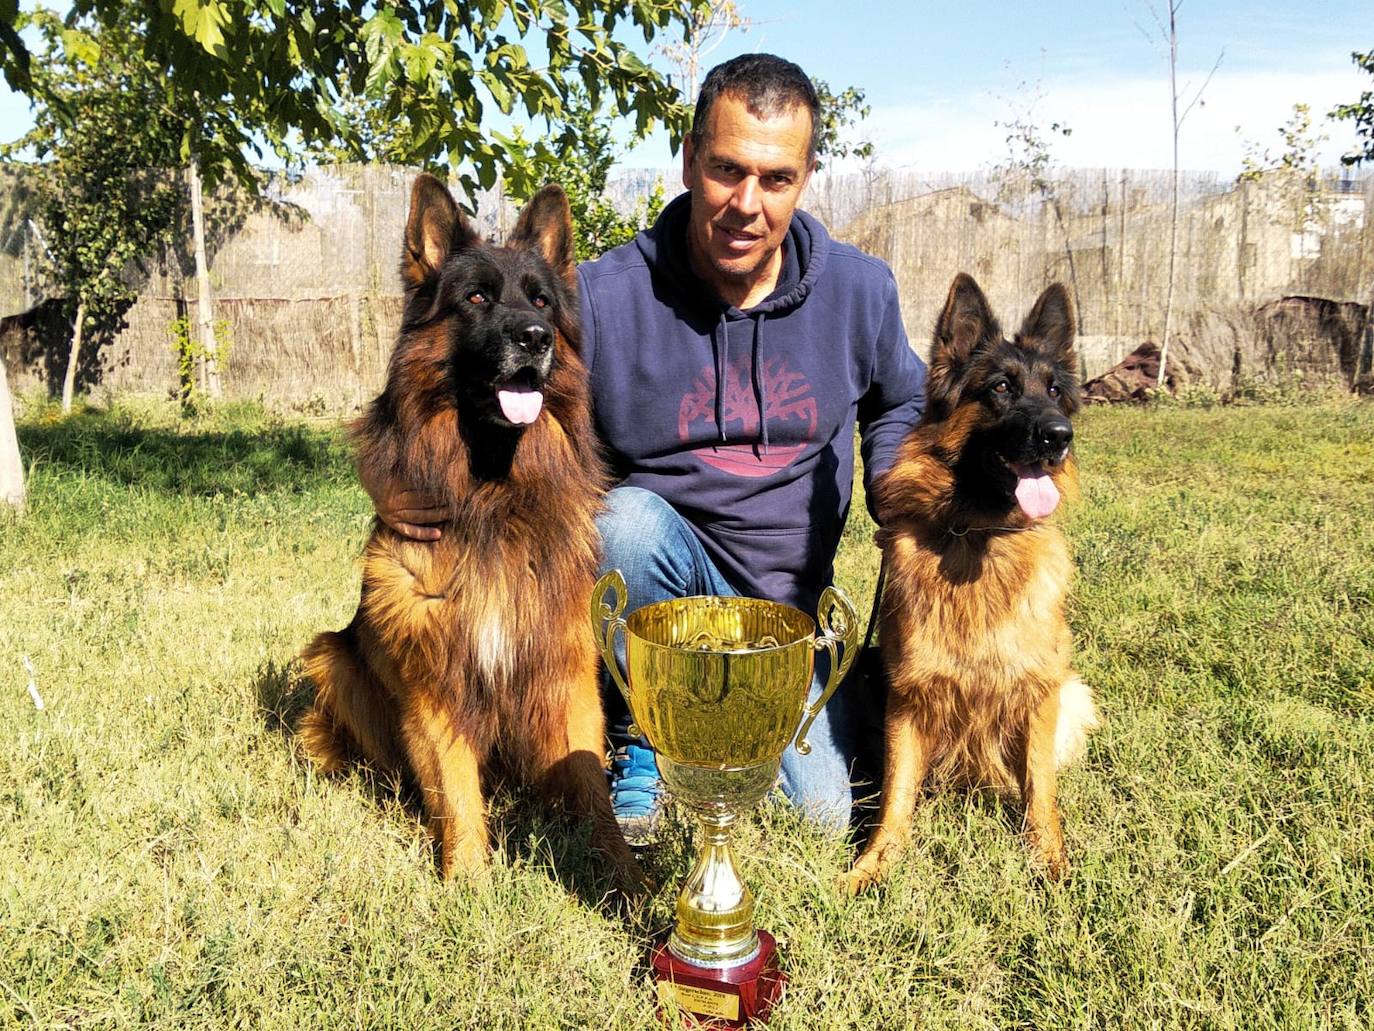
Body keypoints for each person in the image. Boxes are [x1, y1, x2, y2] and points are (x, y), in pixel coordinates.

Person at [367, 53, 927, 841]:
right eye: (727, 168)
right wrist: (388, 478)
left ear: (805, 179)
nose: (746, 203)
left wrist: (898, 492)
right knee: (623, 520)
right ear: (691, 158)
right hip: (661, 575)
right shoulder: (603, 294)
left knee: (824, 818)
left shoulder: (860, 292)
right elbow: (479, 394)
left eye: (775, 178)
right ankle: (639, 730)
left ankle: (749, 718)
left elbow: (903, 398)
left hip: (783, 619)